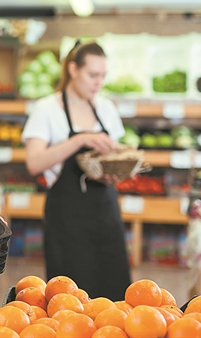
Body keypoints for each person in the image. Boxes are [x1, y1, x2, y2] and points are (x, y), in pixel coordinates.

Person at [21, 42, 131, 301]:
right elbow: (33, 163)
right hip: (66, 220)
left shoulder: (106, 109)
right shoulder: (47, 109)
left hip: (106, 216)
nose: (98, 82)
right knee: (69, 299)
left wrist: (112, 172)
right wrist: (79, 140)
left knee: (114, 294)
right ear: (73, 69)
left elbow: (114, 158)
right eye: (93, 75)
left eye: (103, 76)